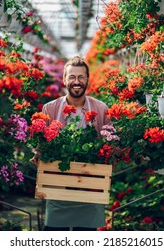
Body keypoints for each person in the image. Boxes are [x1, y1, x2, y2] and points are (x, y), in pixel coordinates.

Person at [31, 56, 110, 231]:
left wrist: (113, 151)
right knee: (54, 234)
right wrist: (38, 153)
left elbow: (110, 142)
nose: (77, 82)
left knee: (86, 237)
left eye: (81, 77)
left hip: (90, 186)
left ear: (87, 80)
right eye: (72, 77)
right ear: (65, 80)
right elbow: (41, 143)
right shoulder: (50, 108)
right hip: (59, 184)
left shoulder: (101, 109)